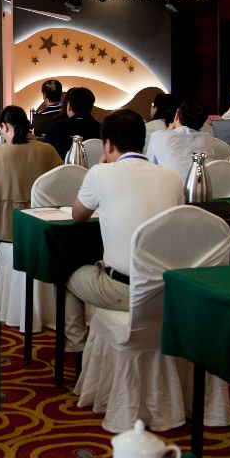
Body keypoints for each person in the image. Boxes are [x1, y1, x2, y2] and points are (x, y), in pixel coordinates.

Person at [65, 109, 184, 350]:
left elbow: (78, 215)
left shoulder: (101, 173)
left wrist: (101, 165)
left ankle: (77, 349)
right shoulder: (172, 176)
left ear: (107, 144)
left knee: (66, 274)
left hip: (124, 288)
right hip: (168, 288)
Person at [0, 106, 63, 293]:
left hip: (8, 225)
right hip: (42, 221)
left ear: (5, 127)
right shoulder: (48, 150)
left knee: (1, 219)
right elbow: (60, 178)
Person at [145, 99, 226, 183]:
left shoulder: (158, 136)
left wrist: (167, 132)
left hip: (172, 188)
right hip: (205, 186)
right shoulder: (208, 139)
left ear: (177, 115)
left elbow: (150, 167)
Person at [43, 87, 103, 158]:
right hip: (96, 165)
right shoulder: (102, 129)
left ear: (69, 106)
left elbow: (44, 153)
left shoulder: (55, 128)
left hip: (62, 165)